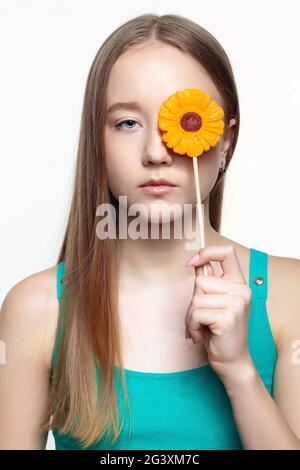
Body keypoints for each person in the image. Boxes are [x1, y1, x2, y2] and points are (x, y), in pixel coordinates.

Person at [0, 13, 300, 451]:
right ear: (96, 142)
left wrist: (239, 372)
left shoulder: (289, 296)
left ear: (226, 141)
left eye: (185, 122)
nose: (156, 152)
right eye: (127, 123)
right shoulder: (36, 309)